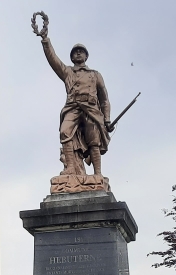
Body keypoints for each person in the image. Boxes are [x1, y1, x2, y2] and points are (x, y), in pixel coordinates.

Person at [38, 33, 111, 177]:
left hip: (91, 109)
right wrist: (45, 41)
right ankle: (70, 168)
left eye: (81, 51)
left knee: (93, 140)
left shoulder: (95, 75)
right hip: (73, 107)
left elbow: (104, 99)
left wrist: (107, 119)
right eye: (75, 52)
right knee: (65, 131)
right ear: (72, 58)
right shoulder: (68, 72)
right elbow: (54, 60)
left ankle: (98, 174)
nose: (78, 53)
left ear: (86, 56)